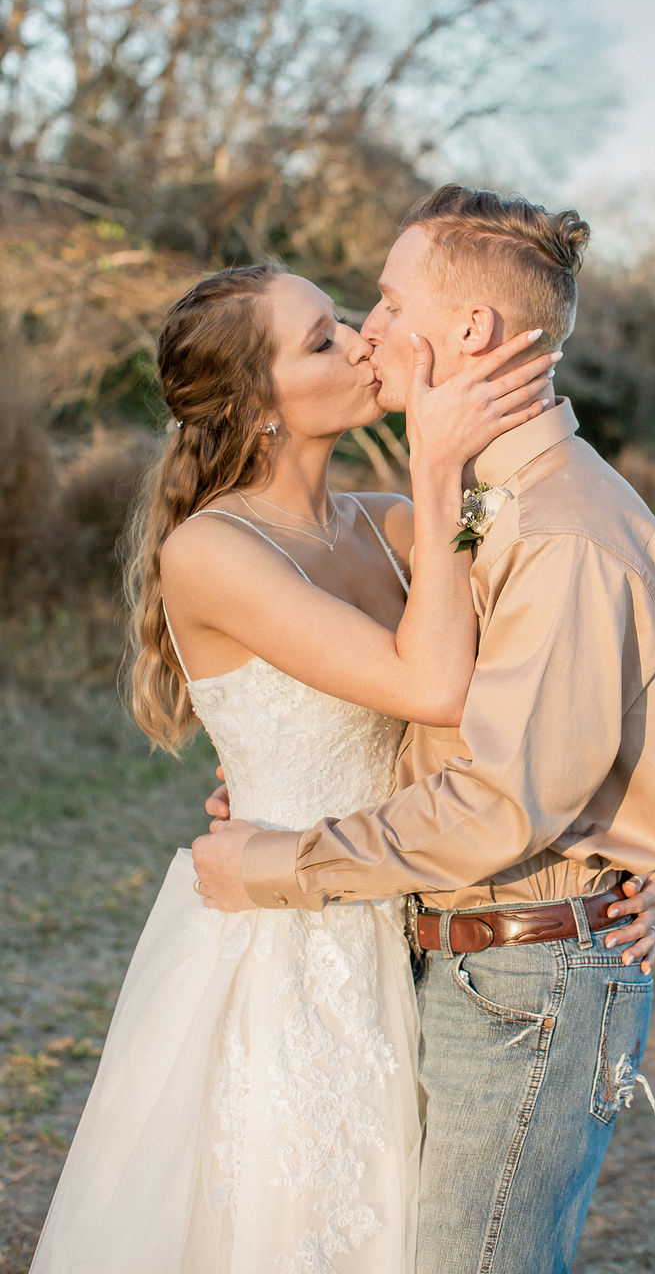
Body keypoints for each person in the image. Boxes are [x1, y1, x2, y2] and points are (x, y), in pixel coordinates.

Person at [30, 262, 604, 1274]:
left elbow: (541, 690)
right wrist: (437, 478)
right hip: (289, 945)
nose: (359, 341)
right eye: (321, 341)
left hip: (420, 912)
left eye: (344, 321)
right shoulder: (212, 550)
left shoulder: (383, 525)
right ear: (260, 410)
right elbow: (426, 687)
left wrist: (612, 872)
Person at [194, 185, 655, 1274]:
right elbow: (454, 725)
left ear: (470, 330)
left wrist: (284, 855)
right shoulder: (481, 507)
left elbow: (505, 803)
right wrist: (286, 784)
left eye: (380, 301)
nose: (369, 331)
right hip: (443, 956)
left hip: (523, 975)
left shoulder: (564, 530)